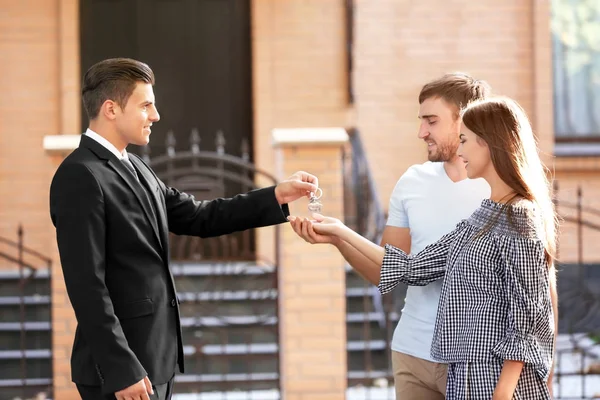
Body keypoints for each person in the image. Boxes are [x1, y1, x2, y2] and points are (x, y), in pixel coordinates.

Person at [49, 57, 319, 400]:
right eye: (146, 105)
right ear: (111, 109)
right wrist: (121, 367)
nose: (156, 115)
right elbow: (86, 285)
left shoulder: (137, 167)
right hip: (120, 372)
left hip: (154, 360)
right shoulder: (80, 175)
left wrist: (277, 195)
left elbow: (200, 216)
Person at [293, 96, 558, 399]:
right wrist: (339, 232)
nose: (460, 150)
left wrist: (504, 392)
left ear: (487, 142)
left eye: (465, 140)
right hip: (465, 376)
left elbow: (528, 312)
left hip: (496, 380)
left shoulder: (520, 215)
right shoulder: (484, 214)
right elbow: (413, 268)